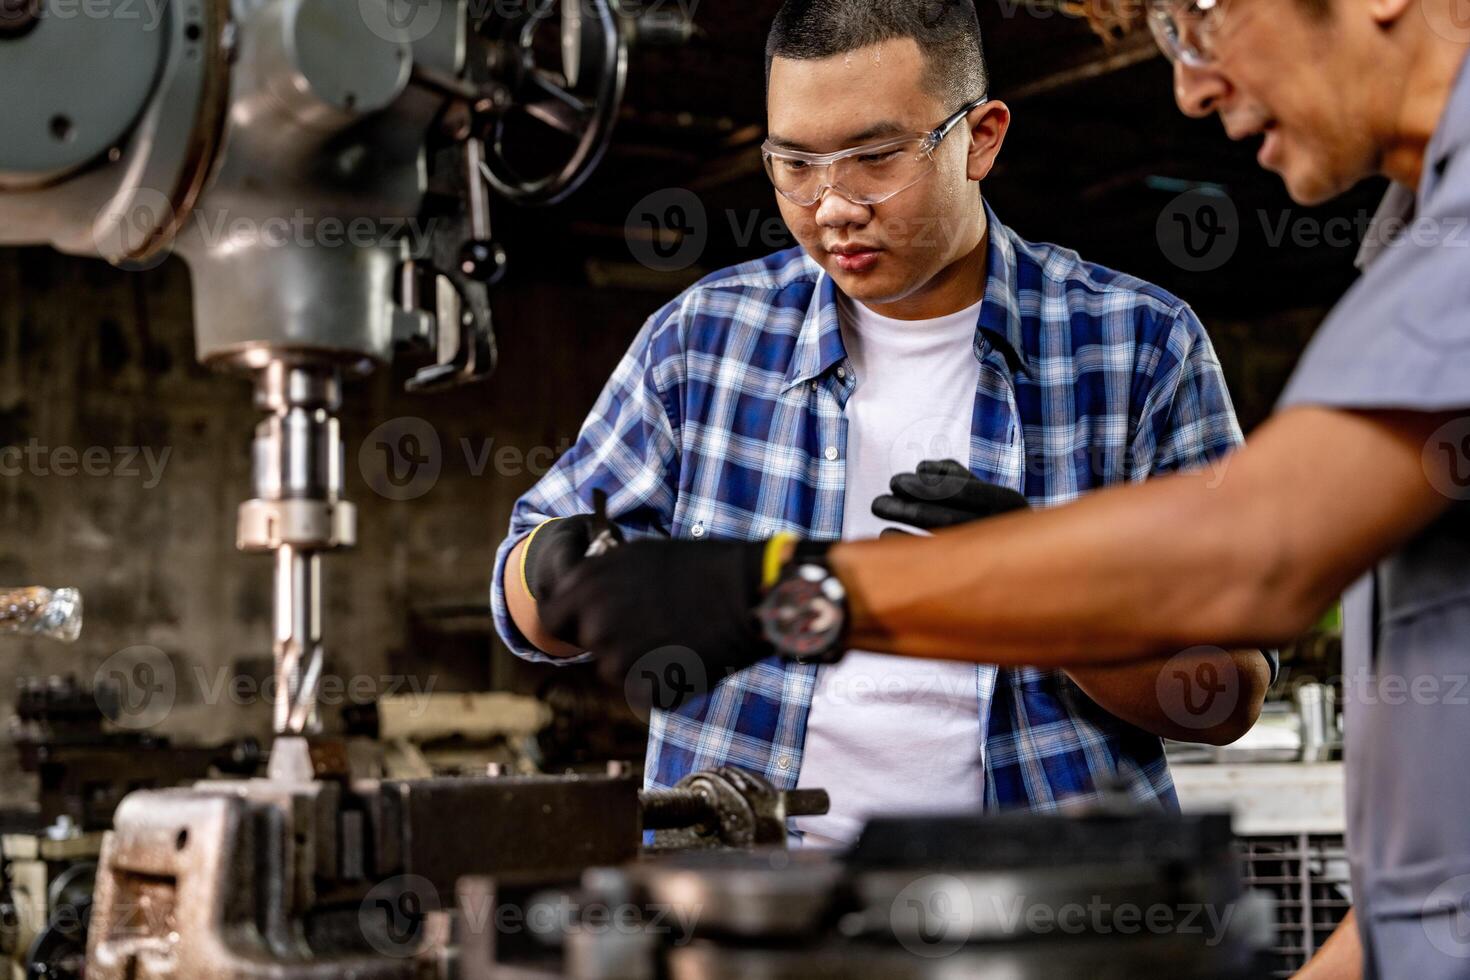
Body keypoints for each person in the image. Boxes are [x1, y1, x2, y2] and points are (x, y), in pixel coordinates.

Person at [542, 0, 1470, 973]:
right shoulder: (1418, 240)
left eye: (1204, 14)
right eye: (795, 162)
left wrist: (791, 588)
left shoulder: (1148, 338)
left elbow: (1252, 558)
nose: (1191, 85)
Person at [492, 0, 1273, 846]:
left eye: (873, 158)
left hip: (1045, 917)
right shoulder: (703, 341)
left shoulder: (1138, 347)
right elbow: (524, 599)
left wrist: (1041, 591)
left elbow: (1224, 695)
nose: (832, 206)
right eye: (794, 164)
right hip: (748, 918)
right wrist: (556, 569)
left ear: (982, 137)